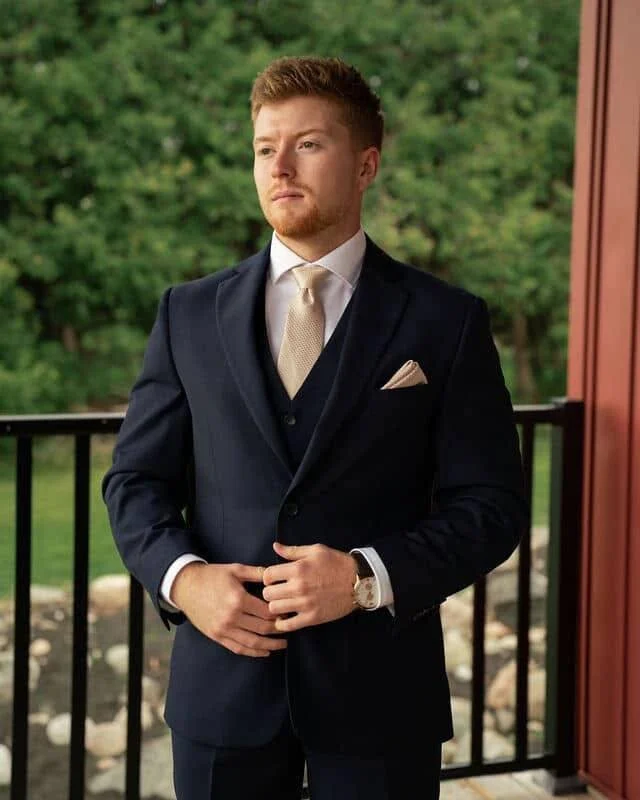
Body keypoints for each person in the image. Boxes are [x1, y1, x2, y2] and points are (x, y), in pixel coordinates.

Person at [102, 55, 527, 800]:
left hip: (382, 698)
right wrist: (185, 580)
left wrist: (366, 578)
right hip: (222, 691)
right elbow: (135, 481)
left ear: (366, 163)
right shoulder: (187, 314)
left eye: (309, 144)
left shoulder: (445, 321)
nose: (281, 166)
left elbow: (491, 507)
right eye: (266, 148)